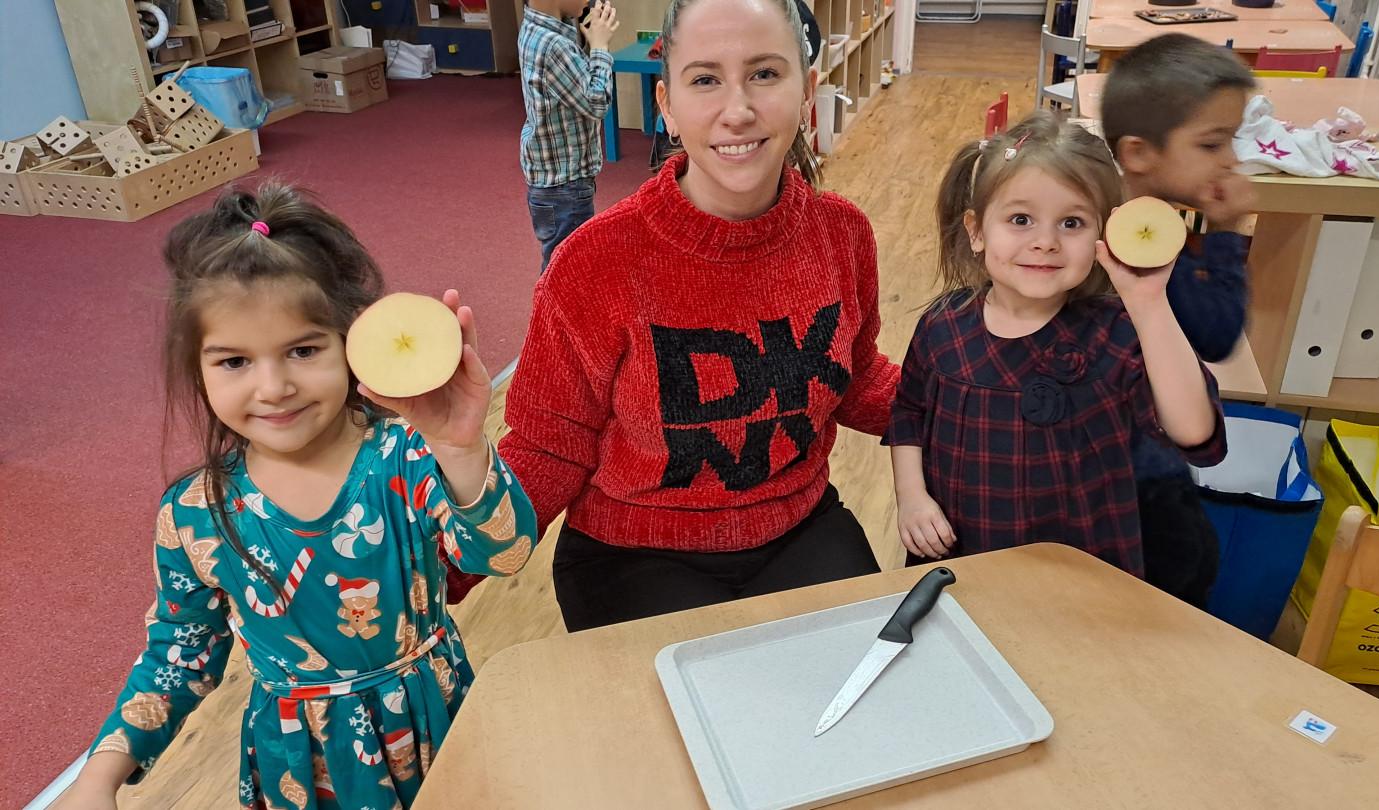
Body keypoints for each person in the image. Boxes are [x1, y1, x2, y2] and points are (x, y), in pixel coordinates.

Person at [54, 184, 537, 810]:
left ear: (351, 344)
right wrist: (98, 777)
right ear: (198, 369)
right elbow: (180, 651)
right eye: (234, 362)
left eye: (303, 351)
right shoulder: (196, 513)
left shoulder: (406, 455)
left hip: (433, 723)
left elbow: (503, 554)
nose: (274, 387)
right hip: (302, 764)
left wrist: (462, 450)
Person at [458, 0, 900, 631]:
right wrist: (426, 569)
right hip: (632, 550)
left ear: (807, 90)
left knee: (872, 673)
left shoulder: (842, 233)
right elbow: (550, 446)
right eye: (705, 79)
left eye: (765, 74)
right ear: (666, 104)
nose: (737, 109)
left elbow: (853, 375)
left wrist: (980, 398)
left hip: (798, 525)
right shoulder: (594, 262)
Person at [885, 114, 1227, 577]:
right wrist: (911, 496)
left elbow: (1195, 433)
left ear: (1103, 236)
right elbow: (909, 412)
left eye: (1071, 222)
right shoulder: (942, 326)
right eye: (1020, 219)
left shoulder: (1116, 332)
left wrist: (1149, 304)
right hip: (963, 559)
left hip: (1081, 575)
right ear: (977, 231)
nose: (1045, 242)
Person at [1101, 33, 1256, 606]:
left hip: (1119, 467)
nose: (1231, 159)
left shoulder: (1114, 217)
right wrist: (1230, 233)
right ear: (1139, 153)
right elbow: (1217, 334)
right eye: (1213, 143)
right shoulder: (1149, 249)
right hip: (1140, 481)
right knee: (1181, 578)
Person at [519, 0, 620, 270]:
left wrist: (588, 36)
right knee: (568, 268)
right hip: (565, 187)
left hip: (553, 182)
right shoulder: (553, 45)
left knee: (560, 261)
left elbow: (574, 79)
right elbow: (596, 102)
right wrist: (600, 47)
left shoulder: (537, 28)